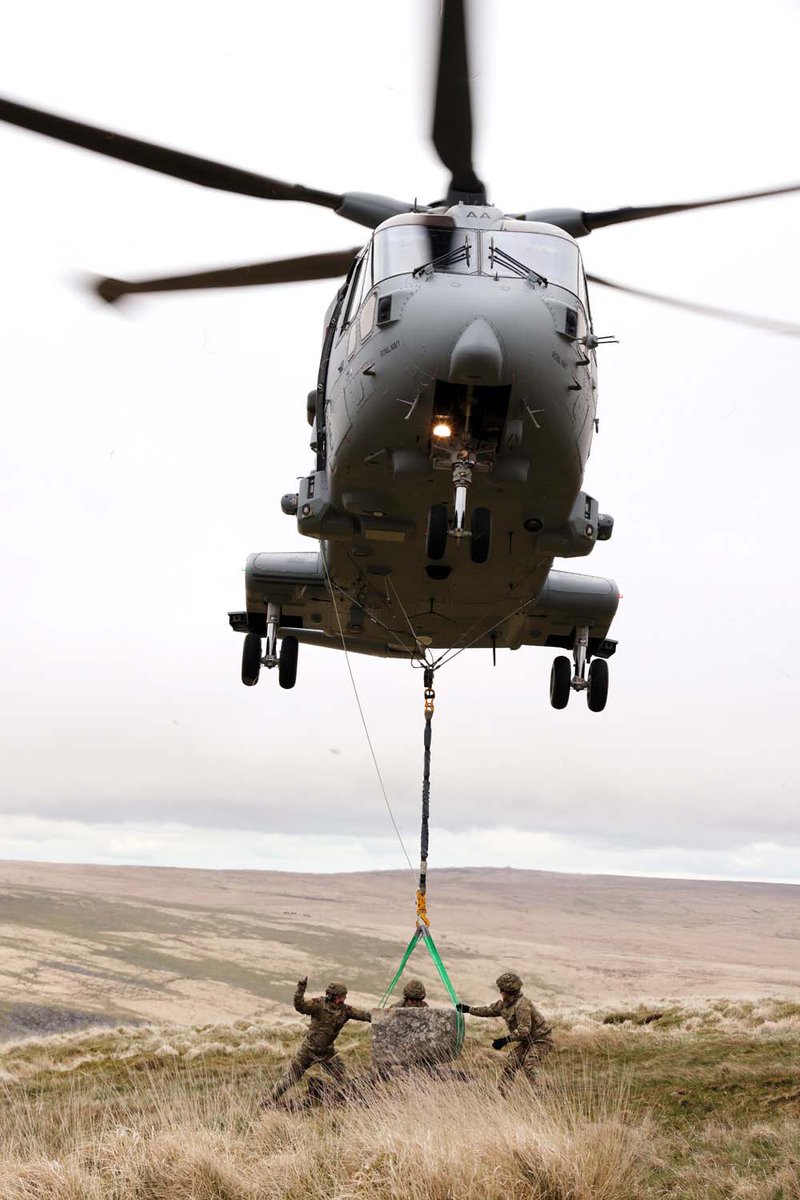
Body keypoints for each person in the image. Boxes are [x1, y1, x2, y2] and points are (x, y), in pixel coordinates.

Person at [269, 977, 371, 1102]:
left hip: (327, 1053)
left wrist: (380, 1016)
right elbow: (300, 1006)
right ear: (331, 996)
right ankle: (268, 1101)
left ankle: (339, 1100)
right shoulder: (318, 1005)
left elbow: (365, 1016)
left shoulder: (346, 1010)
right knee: (291, 1077)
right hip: (308, 1051)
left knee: (341, 1076)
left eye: (344, 996)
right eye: (340, 996)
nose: (343, 999)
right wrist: (300, 990)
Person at [457, 972, 552, 1093]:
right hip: (527, 1041)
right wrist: (468, 1009)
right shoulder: (505, 1005)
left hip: (541, 1040)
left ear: (508, 992)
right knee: (511, 1062)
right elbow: (489, 1010)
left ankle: (539, 1094)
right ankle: (502, 1092)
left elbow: (524, 1030)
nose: (500, 992)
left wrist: (504, 1041)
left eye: (501, 990)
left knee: (530, 1063)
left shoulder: (522, 1006)